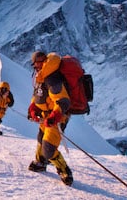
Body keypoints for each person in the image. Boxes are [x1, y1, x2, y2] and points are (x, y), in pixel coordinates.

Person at [27, 51, 74, 186]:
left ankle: (64, 170)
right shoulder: (41, 77)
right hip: (45, 116)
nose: (35, 67)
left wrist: (55, 116)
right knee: (41, 138)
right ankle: (40, 162)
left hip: (57, 118)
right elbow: (38, 96)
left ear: (43, 62)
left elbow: (63, 101)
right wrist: (33, 107)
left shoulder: (52, 78)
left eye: (37, 64)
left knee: (48, 147)